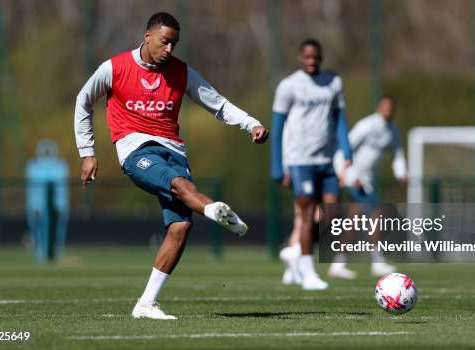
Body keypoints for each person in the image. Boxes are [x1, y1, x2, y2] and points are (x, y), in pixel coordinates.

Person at [74, 12, 268, 320]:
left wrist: (251, 124)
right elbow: (83, 101)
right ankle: (214, 210)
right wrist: (88, 152)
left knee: (180, 227)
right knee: (178, 184)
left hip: (174, 150)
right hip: (136, 150)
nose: (169, 50)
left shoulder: (182, 73)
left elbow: (217, 103)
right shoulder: (114, 68)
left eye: (174, 44)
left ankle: (146, 304)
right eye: (165, 42)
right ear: (147, 37)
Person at [271, 39, 352, 290]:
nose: (311, 61)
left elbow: (339, 118)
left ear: (321, 57)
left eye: (315, 57)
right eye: (307, 57)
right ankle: (307, 272)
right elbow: (277, 127)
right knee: (306, 214)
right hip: (299, 160)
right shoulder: (288, 86)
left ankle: (295, 253)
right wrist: (277, 165)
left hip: (327, 160)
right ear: (300, 57)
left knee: (332, 213)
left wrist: (347, 151)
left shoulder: (333, 83)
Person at [333, 95, 407, 276]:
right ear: (379, 108)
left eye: (392, 108)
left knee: (353, 222)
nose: (389, 111)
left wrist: (402, 173)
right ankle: (377, 260)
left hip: (369, 181)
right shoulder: (367, 126)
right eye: (386, 108)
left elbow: (398, 154)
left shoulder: (392, 131)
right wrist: (347, 175)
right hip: (355, 178)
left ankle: (338, 264)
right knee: (376, 215)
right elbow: (344, 148)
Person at [26, 139, 69, 262]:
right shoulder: (33, 166)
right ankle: (41, 252)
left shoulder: (60, 166)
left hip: (57, 204)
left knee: (57, 230)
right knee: (39, 229)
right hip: (37, 205)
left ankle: (55, 251)